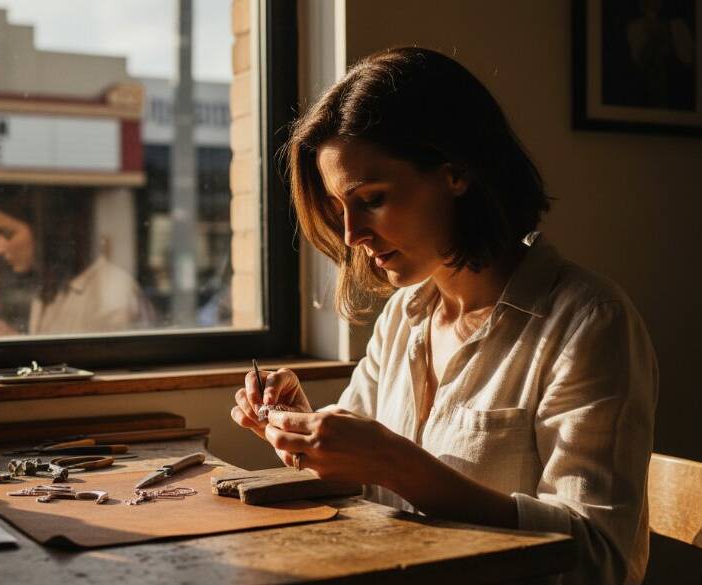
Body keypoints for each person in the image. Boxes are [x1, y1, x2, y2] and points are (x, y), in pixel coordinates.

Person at [231, 48, 657, 585]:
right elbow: (362, 477)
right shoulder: (404, 317)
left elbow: (601, 560)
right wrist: (303, 432)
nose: (352, 235)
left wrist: (397, 465)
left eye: (373, 199)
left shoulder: (588, 323)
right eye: (340, 208)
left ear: (456, 172)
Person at [0, 191, 153, 336]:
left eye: (7, 233)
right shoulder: (50, 287)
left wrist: (6, 337)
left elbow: (95, 377)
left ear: (48, 229)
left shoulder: (111, 293)